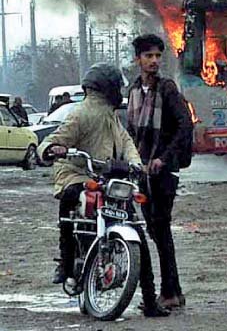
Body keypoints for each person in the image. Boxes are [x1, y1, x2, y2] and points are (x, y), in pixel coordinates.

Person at [38, 63, 169, 318]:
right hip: (77, 174)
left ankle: (150, 300)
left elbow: (127, 143)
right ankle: (65, 263)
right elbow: (54, 140)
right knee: (70, 199)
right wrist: (52, 149)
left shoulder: (111, 117)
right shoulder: (81, 114)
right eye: (116, 86)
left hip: (107, 178)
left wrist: (135, 164)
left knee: (136, 229)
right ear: (107, 87)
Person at [128, 34, 193, 310]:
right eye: (148, 56)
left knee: (161, 227)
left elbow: (185, 125)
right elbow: (130, 130)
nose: (154, 61)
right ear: (138, 59)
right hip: (142, 170)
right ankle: (174, 290)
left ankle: (168, 291)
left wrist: (164, 159)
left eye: (157, 56)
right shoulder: (133, 91)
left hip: (164, 171)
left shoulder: (167, 89)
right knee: (154, 230)